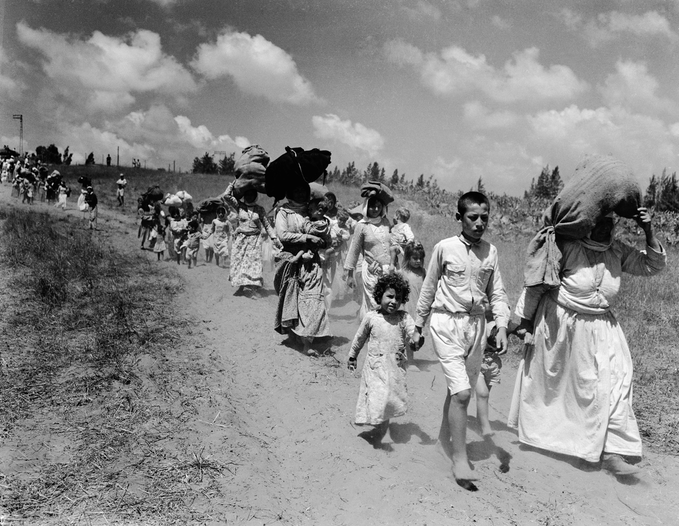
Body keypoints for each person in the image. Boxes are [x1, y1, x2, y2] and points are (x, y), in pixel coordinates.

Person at [509, 208, 664, 477]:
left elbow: (652, 265)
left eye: (610, 223)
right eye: (600, 223)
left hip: (602, 327)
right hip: (561, 326)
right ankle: (552, 443)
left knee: (616, 382)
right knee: (561, 389)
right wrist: (522, 322)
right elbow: (536, 282)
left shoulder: (617, 250)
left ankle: (613, 450)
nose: (606, 228)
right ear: (587, 224)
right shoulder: (566, 246)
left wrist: (649, 231)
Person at [415, 191, 509, 490]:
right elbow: (429, 287)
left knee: (458, 391)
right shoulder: (444, 248)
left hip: (477, 328)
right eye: (473, 217)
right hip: (446, 323)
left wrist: (502, 325)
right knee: (464, 394)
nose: (479, 223)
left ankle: (444, 441)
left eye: (484, 217)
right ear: (459, 218)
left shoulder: (491, 252)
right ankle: (459, 458)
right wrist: (418, 325)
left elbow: (497, 293)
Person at [347, 272, 423, 449]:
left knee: (388, 401)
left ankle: (378, 433)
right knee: (377, 397)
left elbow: (413, 332)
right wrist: (352, 356)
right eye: (389, 296)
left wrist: (416, 339)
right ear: (379, 295)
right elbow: (359, 338)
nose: (393, 301)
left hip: (395, 368)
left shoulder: (403, 318)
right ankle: (376, 431)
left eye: (398, 298)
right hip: (374, 367)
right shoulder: (371, 317)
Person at [274, 184, 332, 356]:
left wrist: (321, 240)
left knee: (312, 300)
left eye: (302, 190)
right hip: (290, 261)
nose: (299, 193)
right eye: (296, 189)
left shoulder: (311, 211)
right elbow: (283, 235)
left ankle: (308, 341)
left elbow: (326, 241)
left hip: (311, 264)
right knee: (291, 299)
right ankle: (293, 335)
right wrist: (307, 237)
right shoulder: (283, 212)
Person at [343, 182, 396, 319]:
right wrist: (350, 274)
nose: (375, 209)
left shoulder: (386, 223)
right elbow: (354, 251)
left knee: (387, 304)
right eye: (372, 205)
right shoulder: (362, 226)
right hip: (371, 270)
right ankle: (368, 332)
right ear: (367, 206)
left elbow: (390, 245)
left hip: (387, 270)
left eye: (378, 206)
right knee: (374, 304)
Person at [221, 181, 279, 298]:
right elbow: (226, 197)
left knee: (254, 263)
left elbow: (266, 225)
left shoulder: (259, 209)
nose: (249, 197)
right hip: (241, 239)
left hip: (254, 240)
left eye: (251, 195)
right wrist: (232, 185)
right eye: (247, 195)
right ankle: (241, 287)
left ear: (255, 196)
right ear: (244, 196)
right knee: (240, 262)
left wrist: (274, 237)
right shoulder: (239, 206)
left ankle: (252, 287)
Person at [400, 241, 427, 371]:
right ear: (408, 258)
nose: (418, 261)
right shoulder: (403, 273)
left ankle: (405, 357)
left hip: (419, 308)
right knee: (408, 334)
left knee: (417, 334)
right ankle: (410, 361)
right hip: (407, 307)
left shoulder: (423, 272)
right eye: (414, 258)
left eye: (420, 258)